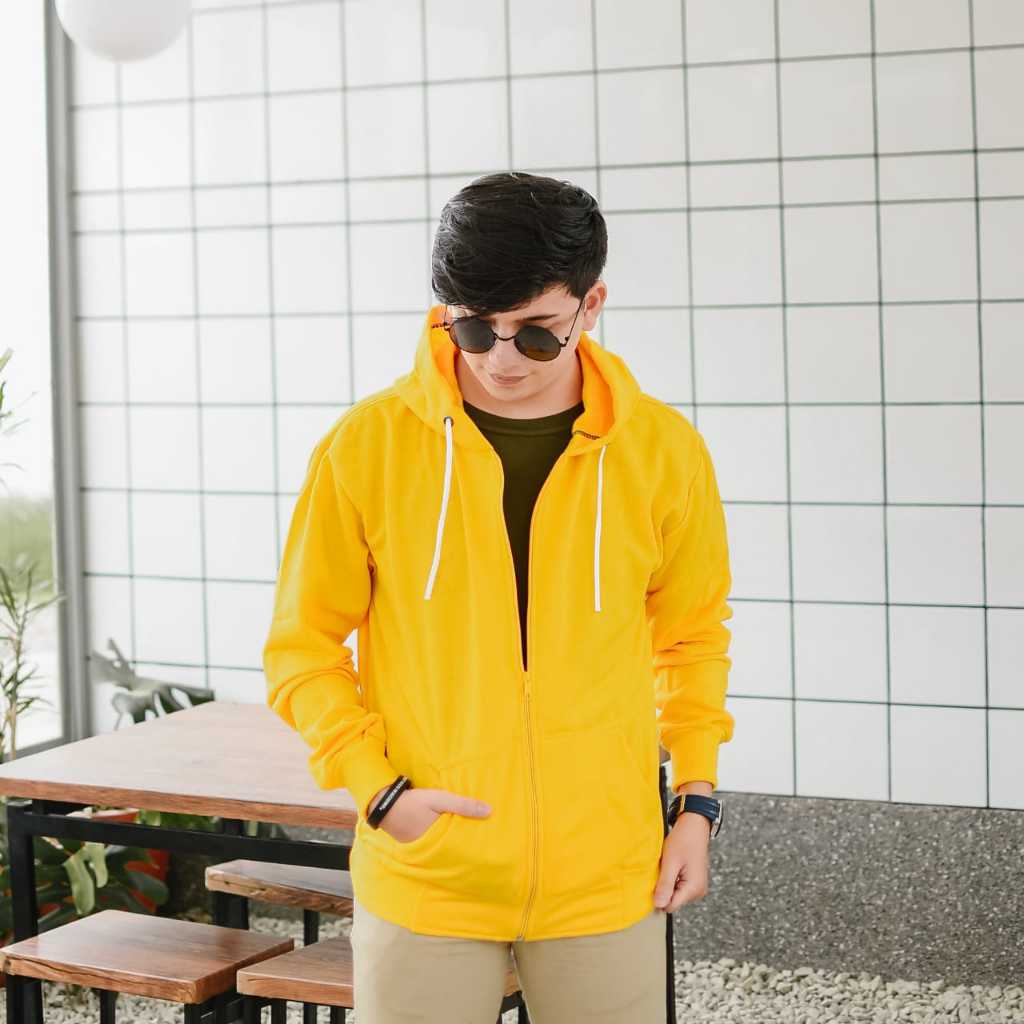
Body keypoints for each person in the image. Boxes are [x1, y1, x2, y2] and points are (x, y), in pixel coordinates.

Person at [263, 171, 736, 1023]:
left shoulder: (665, 452)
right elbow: (301, 647)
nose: (499, 359)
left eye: (537, 334)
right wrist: (379, 793)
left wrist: (695, 805)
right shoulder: (366, 446)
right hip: (428, 873)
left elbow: (691, 639)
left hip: (606, 874)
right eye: (475, 327)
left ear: (592, 305)